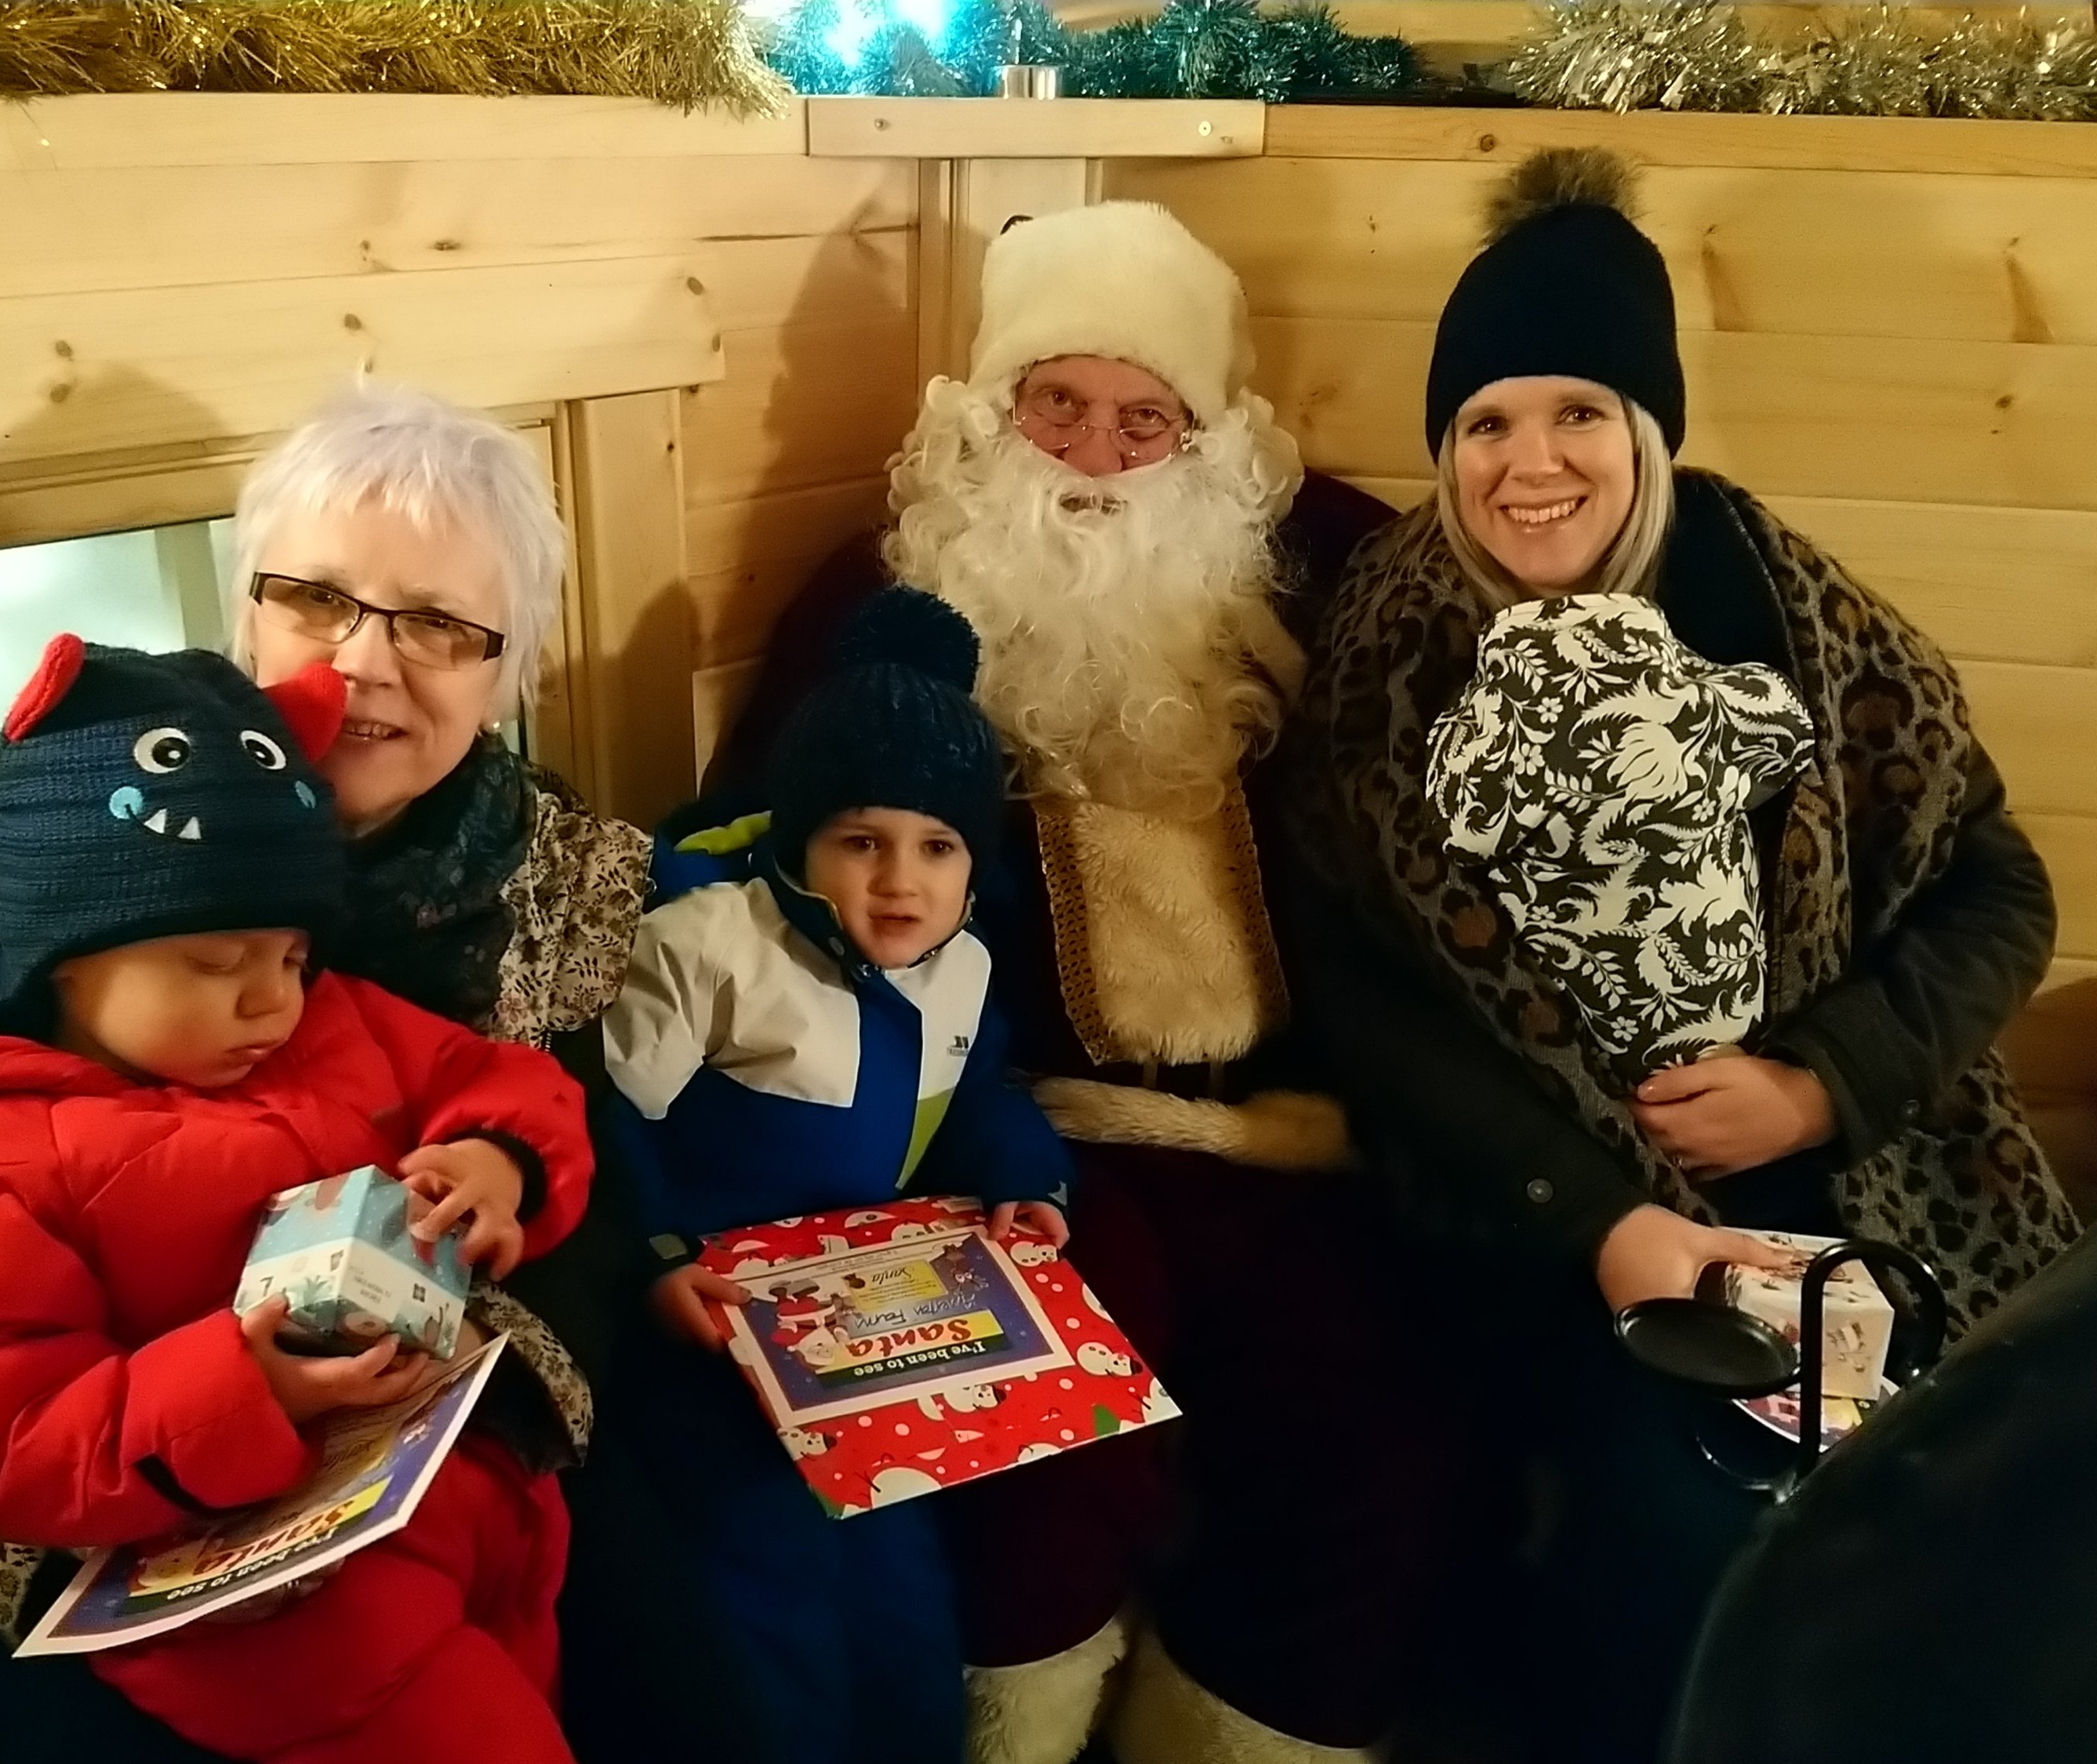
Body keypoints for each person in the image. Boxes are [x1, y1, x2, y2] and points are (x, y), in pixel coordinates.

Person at [1276, 146, 2080, 1762]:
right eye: (1485, 423)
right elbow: (1363, 1000)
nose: (1531, 465)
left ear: (1646, 429)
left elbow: (1997, 893)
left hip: (1851, 1165)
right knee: (1690, 1527)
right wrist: (1603, 1221)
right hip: (1551, 1206)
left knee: (2017, 1477)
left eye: (1578, 411)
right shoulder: (1385, 657)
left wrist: (1821, 1082)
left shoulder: (1793, 619)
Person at [0, 383, 658, 1764]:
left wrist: (487, 1339)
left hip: (422, 1417)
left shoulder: (550, 864)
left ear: (507, 665)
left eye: (439, 623)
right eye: (319, 598)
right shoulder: (66, 821)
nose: (365, 661)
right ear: (250, 611)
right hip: (108, 1455)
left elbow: (551, 1122)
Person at [711, 201, 1449, 1764]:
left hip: (1288, 1135)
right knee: (1042, 1457)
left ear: (1208, 439)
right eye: (1058, 404)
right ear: (991, 414)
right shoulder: (872, 604)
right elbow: (750, 864)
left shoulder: (1326, 574)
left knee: (1373, 1437)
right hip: (1012, 1137)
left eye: (1144, 417)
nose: (1100, 455)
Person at [0, 638, 594, 1764]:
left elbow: (502, 1076)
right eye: (219, 963)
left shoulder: (332, 1020)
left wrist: (497, 1155)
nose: (271, 1000)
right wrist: (240, 1389)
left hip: (462, 1492)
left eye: (291, 956)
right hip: (275, 1610)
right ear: (69, 957)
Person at [598, 587, 1072, 1764]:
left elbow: (979, 1095)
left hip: (868, 1330)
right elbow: (602, 1118)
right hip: (713, 1326)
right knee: (764, 1579)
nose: (900, 881)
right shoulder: (709, 948)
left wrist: (1028, 1180)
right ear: (798, 840)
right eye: (861, 841)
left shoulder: (963, 964)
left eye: (938, 846)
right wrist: (654, 1259)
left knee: (901, 1579)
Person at [1426, 589, 1816, 1089]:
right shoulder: (1702, 695)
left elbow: (1463, 829)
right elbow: (1791, 733)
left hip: (1587, 1060)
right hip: (1719, 1032)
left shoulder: (1504, 712)